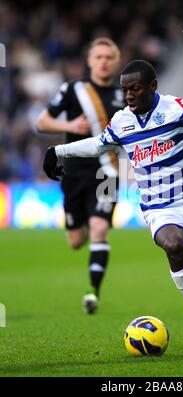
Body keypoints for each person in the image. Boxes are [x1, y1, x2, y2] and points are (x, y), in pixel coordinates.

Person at [43, 59, 183, 345]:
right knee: (173, 245)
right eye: (125, 90)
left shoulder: (173, 108)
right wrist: (57, 150)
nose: (129, 95)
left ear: (153, 86)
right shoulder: (122, 121)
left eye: (135, 88)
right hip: (160, 207)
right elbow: (97, 144)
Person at [36, 38, 125, 314]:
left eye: (108, 57)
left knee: (100, 229)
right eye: (98, 56)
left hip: (108, 172)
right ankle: (87, 222)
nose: (103, 61)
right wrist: (70, 124)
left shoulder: (126, 95)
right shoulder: (74, 90)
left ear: (116, 61)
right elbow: (42, 122)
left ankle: (93, 293)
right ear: (89, 61)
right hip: (73, 173)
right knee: (76, 241)